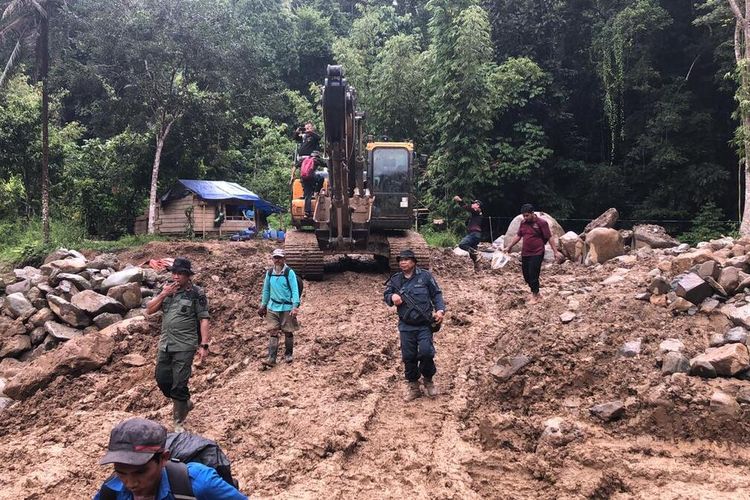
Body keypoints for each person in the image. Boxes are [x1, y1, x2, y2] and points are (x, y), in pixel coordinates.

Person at [94, 417, 247, 499]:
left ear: (163, 458)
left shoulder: (198, 483)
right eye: (121, 472)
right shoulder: (111, 491)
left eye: (140, 472)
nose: (130, 483)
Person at [146, 257, 210, 432]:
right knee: (162, 379)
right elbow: (149, 310)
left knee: (179, 384)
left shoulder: (196, 293)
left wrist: (204, 345)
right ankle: (185, 403)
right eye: (174, 273)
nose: (176, 277)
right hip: (165, 344)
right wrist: (163, 294)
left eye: (180, 273)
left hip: (185, 345)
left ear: (188, 276)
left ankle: (178, 421)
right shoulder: (166, 290)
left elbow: (203, 319)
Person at [384, 249, 446, 402]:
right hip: (406, 325)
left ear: (414, 262)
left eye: (406, 259)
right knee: (409, 356)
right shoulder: (396, 280)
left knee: (426, 352)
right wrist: (392, 297)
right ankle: (413, 386)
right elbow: (386, 295)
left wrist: (440, 310)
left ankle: (428, 380)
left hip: (424, 324)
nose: (402, 262)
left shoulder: (425, 277)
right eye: (400, 260)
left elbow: (436, 294)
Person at [505, 204, 561, 303]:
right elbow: (518, 236)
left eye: (527, 215)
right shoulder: (523, 223)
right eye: (524, 216)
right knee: (526, 275)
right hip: (525, 252)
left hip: (537, 252)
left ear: (532, 213)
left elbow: (549, 237)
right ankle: (536, 294)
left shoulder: (542, 223)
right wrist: (509, 246)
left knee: (533, 274)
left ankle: (535, 295)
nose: (525, 217)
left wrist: (555, 251)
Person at [257, 248, 300, 369]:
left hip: (286, 306)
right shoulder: (269, 273)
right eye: (275, 257)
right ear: (272, 259)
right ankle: (272, 358)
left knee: (288, 331)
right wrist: (263, 305)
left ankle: (288, 354)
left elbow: (295, 290)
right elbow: (266, 290)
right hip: (272, 307)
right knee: (273, 331)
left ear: (284, 259)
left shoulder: (289, 272)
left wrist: (295, 306)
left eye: (280, 258)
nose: (278, 260)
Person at [453, 195, 484, 272]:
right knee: (473, 255)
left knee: (462, 244)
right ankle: (478, 270)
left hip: (474, 234)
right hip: (477, 235)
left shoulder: (477, 211)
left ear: (478, 205)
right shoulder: (476, 214)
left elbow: (467, 207)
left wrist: (460, 201)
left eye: (474, 203)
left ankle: (476, 253)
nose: (472, 205)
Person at [292, 150, 326, 218]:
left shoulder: (304, 159)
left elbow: (295, 166)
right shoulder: (316, 160)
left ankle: (307, 212)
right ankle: (316, 191)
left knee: (308, 195)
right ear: (317, 155)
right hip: (311, 177)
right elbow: (326, 164)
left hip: (304, 179)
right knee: (321, 178)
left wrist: (292, 176)